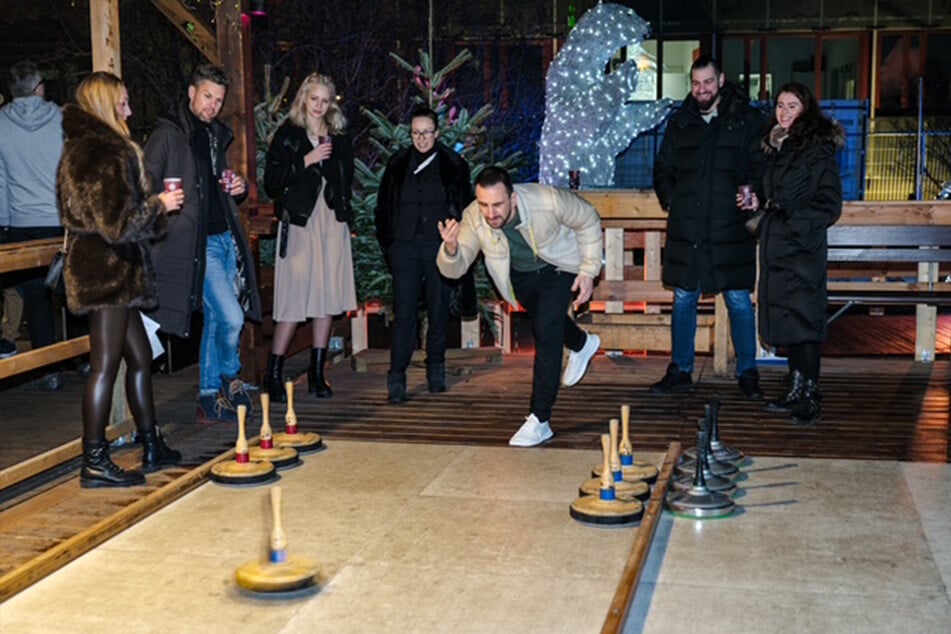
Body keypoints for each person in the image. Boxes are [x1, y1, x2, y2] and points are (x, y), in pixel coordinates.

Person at [57, 71, 184, 487]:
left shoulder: (84, 148)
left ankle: (150, 442)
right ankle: (94, 459)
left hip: (117, 272)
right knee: (105, 366)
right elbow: (116, 225)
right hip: (105, 271)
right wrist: (158, 205)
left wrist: (154, 210)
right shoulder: (101, 151)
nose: (130, 110)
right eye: (124, 103)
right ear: (107, 104)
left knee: (140, 358)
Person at [437, 167, 602, 447]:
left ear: (513, 199)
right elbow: (456, 267)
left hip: (559, 265)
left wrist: (588, 270)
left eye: (498, 204)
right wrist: (451, 249)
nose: (491, 213)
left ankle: (540, 419)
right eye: (484, 205)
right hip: (521, 277)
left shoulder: (546, 200)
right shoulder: (475, 217)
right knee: (546, 321)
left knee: (546, 334)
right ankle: (581, 343)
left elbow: (587, 218)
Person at [144, 64, 262, 423]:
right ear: (192, 93)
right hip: (196, 243)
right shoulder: (168, 135)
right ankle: (231, 375)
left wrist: (237, 187)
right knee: (231, 315)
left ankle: (209, 396)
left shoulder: (214, 136)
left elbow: (215, 185)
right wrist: (161, 200)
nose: (212, 105)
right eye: (207, 96)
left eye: (219, 100)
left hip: (225, 236)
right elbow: (144, 184)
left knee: (216, 319)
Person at [651, 54, 767, 399]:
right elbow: (663, 169)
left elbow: (761, 168)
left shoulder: (746, 120)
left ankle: (748, 371)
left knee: (739, 300)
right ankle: (681, 369)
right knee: (684, 297)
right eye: (696, 83)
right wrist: (673, 199)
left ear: (721, 80)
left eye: (708, 82)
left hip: (730, 228)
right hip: (688, 228)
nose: (701, 89)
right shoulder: (680, 122)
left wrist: (755, 195)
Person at [739, 82, 843, 426]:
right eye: (780, 106)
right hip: (780, 247)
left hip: (801, 248)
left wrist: (792, 225)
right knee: (790, 320)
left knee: (805, 321)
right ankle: (795, 387)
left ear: (806, 109)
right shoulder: (779, 147)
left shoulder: (816, 147)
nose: (783, 112)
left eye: (792, 106)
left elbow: (829, 203)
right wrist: (759, 203)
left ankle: (810, 393)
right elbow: (778, 196)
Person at [262, 73, 357, 402]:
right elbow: (271, 181)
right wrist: (306, 160)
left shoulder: (339, 135)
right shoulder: (288, 134)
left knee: (327, 296)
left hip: (331, 220)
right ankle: (273, 373)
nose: (319, 106)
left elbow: (347, 177)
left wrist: (345, 210)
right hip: (301, 222)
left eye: (325, 100)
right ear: (303, 98)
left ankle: (318, 373)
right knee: (293, 297)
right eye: (314, 99)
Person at [375, 106, 473, 403]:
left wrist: (456, 240)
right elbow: (383, 208)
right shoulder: (398, 164)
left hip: (439, 247)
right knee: (405, 313)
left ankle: (436, 371)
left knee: (438, 310)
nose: (421, 138)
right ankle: (396, 377)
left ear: (437, 133)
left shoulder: (453, 165)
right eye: (416, 133)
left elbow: (466, 208)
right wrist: (390, 246)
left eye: (427, 132)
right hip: (404, 248)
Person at [0, 60, 66, 389]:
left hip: (22, 223)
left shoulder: (0, 123)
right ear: (39, 86)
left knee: (37, 299)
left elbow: (0, 183)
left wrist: (5, 225)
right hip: (59, 219)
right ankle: (86, 358)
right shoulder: (63, 119)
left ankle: (48, 370)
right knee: (74, 292)